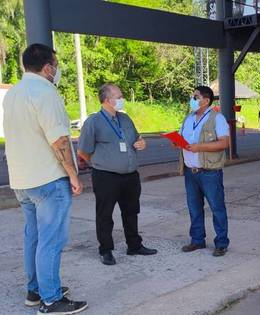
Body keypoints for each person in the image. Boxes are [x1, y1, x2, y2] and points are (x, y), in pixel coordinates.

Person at [3, 43, 88, 314]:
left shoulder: (13, 93)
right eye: (56, 66)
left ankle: (36, 290)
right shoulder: (45, 91)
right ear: (48, 67)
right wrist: (72, 174)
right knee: (51, 240)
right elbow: (60, 139)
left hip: (22, 181)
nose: (57, 71)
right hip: (48, 179)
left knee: (34, 237)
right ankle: (51, 299)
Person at [78, 84, 158, 266]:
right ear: (107, 100)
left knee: (131, 211)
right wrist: (100, 164)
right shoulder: (94, 122)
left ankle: (134, 245)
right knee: (105, 214)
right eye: (119, 96)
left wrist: (141, 143)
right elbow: (83, 151)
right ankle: (106, 250)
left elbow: (137, 138)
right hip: (106, 176)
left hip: (130, 175)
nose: (122, 99)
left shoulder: (126, 119)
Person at [179, 86, 230, 257]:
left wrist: (198, 147)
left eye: (195, 97)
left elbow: (223, 143)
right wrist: (176, 142)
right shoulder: (188, 118)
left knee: (217, 208)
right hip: (190, 171)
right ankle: (197, 240)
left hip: (209, 172)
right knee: (194, 208)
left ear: (206, 101)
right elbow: (182, 140)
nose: (192, 100)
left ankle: (221, 243)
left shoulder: (217, 119)